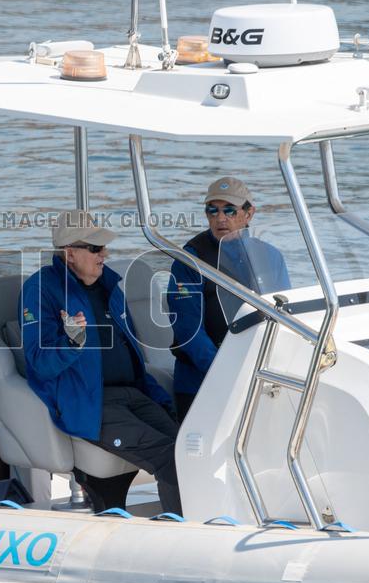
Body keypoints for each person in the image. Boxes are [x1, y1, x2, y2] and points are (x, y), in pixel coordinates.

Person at [20, 210, 182, 514]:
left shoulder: (110, 286)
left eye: (103, 247)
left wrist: (158, 397)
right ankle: (186, 533)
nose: (104, 254)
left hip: (135, 395)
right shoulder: (40, 290)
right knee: (169, 457)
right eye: (95, 248)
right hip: (91, 404)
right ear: (70, 254)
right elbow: (40, 363)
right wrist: (72, 342)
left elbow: (131, 352)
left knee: (190, 450)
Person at [167, 177, 289, 421]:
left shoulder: (270, 255)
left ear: (249, 213)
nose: (220, 218)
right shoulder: (189, 260)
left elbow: (285, 317)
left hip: (257, 371)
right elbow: (189, 330)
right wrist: (225, 371)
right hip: (202, 380)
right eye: (212, 210)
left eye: (229, 210)